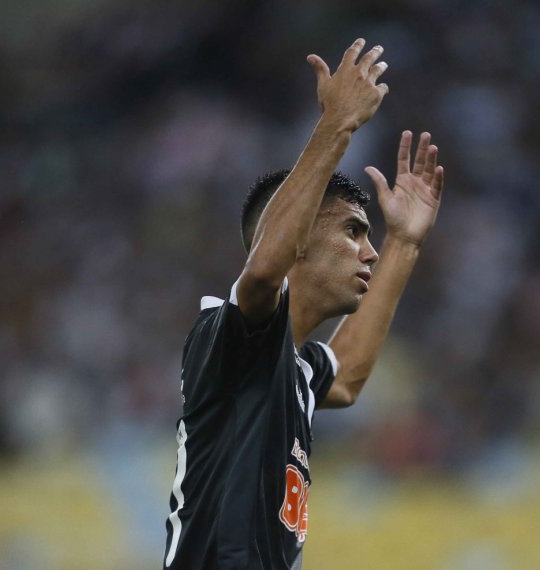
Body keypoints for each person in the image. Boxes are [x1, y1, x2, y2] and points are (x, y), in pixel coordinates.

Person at [163, 38, 444, 569]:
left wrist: (405, 244)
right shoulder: (230, 339)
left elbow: (348, 378)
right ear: (299, 240)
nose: (370, 252)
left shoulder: (293, 371)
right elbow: (263, 271)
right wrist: (337, 125)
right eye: (354, 232)